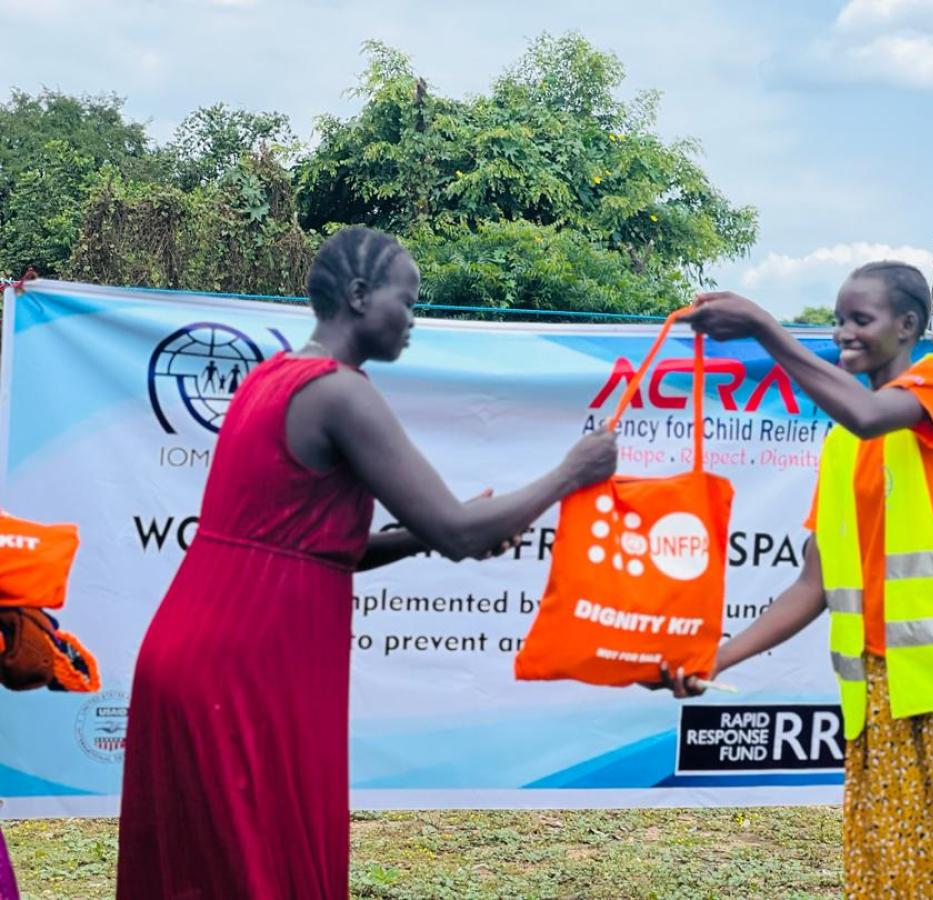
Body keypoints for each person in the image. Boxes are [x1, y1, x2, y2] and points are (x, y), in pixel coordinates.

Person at [116, 226, 618, 899]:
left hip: (198, 649)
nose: (412, 318)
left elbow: (318, 547)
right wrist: (571, 472)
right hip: (244, 667)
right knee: (258, 870)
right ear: (358, 296)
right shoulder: (339, 392)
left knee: (207, 873)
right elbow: (461, 532)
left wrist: (422, 535)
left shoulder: (271, 378)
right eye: (405, 300)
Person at [662, 261, 933, 897]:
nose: (844, 334)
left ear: (908, 325)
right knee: (906, 879)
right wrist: (717, 658)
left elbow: (866, 411)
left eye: (860, 320)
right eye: (838, 321)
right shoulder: (843, 446)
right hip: (887, 704)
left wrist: (762, 328)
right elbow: (813, 585)